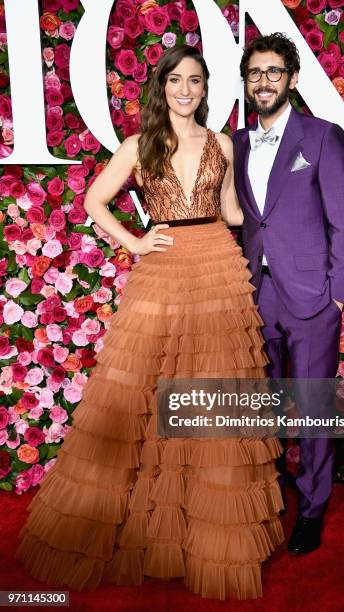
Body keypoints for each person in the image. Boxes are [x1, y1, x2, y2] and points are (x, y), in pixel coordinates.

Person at [15, 45, 284, 600]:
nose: (185, 90)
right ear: (162, 88)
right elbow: (94, 200)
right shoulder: (139, 146)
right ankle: (154, 528)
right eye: (176, 81)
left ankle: (207, 535)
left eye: (195, 81)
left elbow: (233, 210)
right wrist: (137, 240)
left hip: (217, 266)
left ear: (207, 89)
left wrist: (284, 213)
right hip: (164, 266)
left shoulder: (222, 143)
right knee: (148, 393)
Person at [233, 33, 344, 554]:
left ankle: (312, 511)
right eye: (255, 73)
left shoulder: (321, 136)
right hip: (257, 295)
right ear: (247, 81)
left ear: (292, 79)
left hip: (312, 299)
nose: (264, 81)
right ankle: (273, 498)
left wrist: (339, 295)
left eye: (274, 72)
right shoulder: (236, 142)